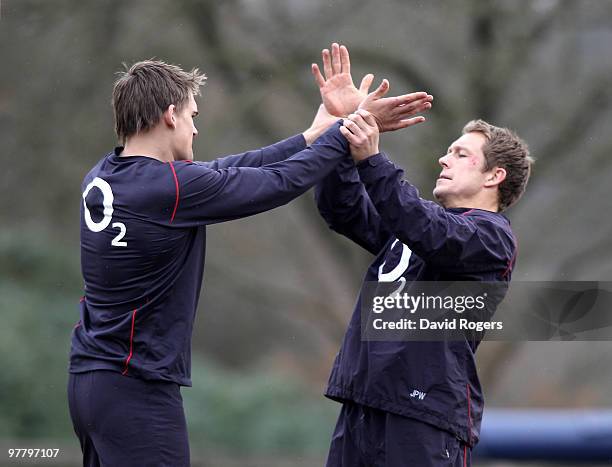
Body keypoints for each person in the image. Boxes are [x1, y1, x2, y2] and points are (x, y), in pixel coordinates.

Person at [67, 56, 431, 466]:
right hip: (136, 389)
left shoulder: (107, 174)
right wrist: (353, 128)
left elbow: (227, 171)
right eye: (192, 115)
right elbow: (277, 183)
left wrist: (315, 133)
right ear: (170, 115)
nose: (196, 127)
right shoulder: (169, 188)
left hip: (90, 383)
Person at [312, 44, 533, 466]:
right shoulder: (413, 225)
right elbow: (342, 208)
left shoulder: (492, 239)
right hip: (363, 405)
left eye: (460, 153)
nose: (443, 158)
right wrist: (343, 129)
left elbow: (425, 228)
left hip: (423, 419)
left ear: (494, 176)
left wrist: (373, 156)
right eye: (448, 150)